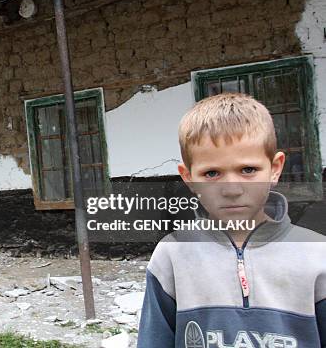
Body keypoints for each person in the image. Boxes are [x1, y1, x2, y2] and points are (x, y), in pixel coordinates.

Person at [136, 93, 326, 347]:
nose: (231, 189)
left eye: (248, 170)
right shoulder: (172, 255)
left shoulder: (317, 254)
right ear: (188, 177)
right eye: (211, 173)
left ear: (275, 168)